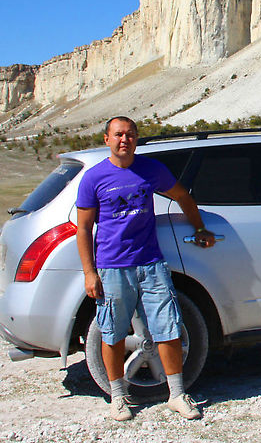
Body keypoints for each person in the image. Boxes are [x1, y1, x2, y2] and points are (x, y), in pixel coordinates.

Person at [75, 116, 215, 421]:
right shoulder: (93, 178)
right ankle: (118, 397)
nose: (125, 140)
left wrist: (200, 228)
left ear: (136, 139)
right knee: (112, 332)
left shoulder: (151, 170)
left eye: (131, 135)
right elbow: (83, 229)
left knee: (168, 328)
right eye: (119, 135)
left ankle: (176, 394)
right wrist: (89, 272)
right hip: (112, 267)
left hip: (151, 263)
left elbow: (182, 197)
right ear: (107, 139)